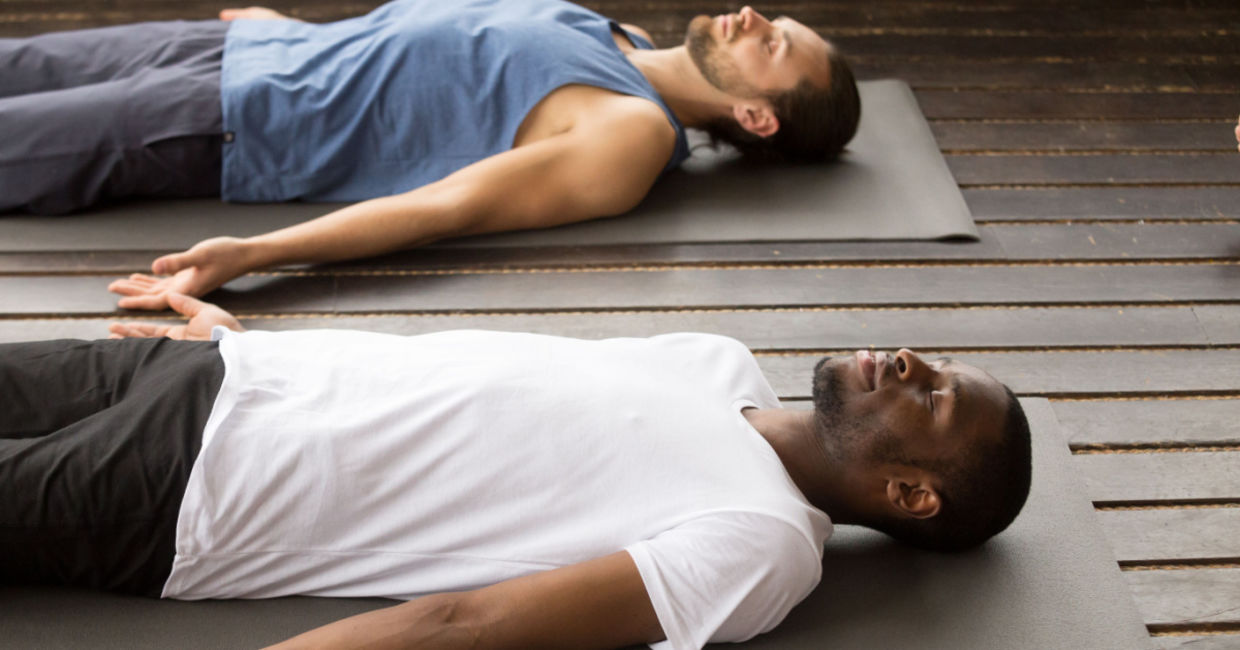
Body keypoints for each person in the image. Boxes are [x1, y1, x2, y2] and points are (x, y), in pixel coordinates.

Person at [2, 293, 1031, 650]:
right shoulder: (719, 359)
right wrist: (261, 341)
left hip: (197, 484)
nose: (909, 359)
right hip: (223, 369)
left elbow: (473, 624)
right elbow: (469, 373)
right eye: (933, 360)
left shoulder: (762, 540)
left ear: (909, 492)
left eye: (933, 393)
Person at [0, 0, 861, 307]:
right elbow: (429, 53)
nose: (752, 16)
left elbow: (448, 207)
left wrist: (254, 255)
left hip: (232, 118)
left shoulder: (629, 133)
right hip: (237, 55)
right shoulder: (618, 36)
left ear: (756, 117)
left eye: (774, 44)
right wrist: (297, 34)